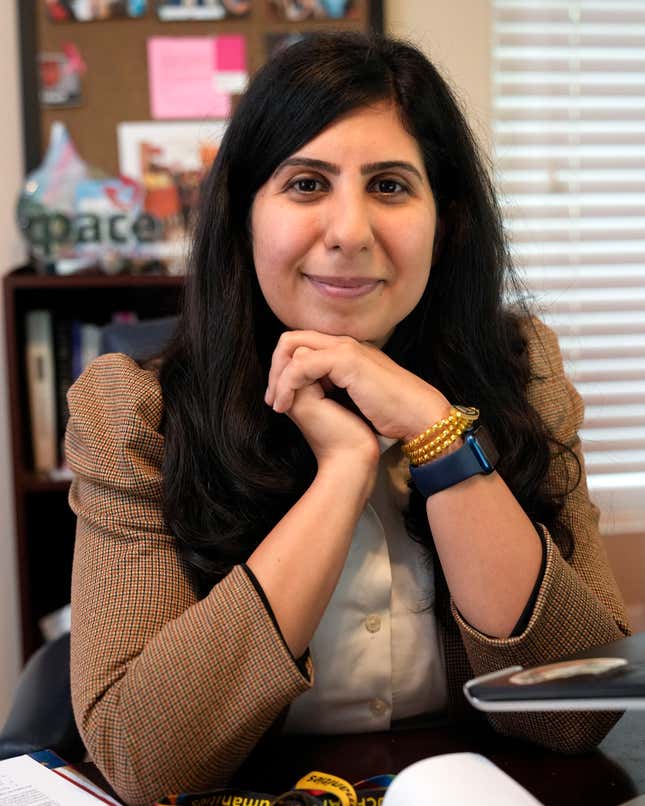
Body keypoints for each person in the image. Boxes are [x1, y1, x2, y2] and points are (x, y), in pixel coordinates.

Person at [65, 32, 630, 806]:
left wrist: (436, 432)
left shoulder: (523, 375)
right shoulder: (133, 410)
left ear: (448, 219)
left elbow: (578, 712)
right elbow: (143, 759)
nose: (349, 232)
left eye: (391, 186)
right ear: (242, 215)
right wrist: (341, 473)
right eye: (305, 184)